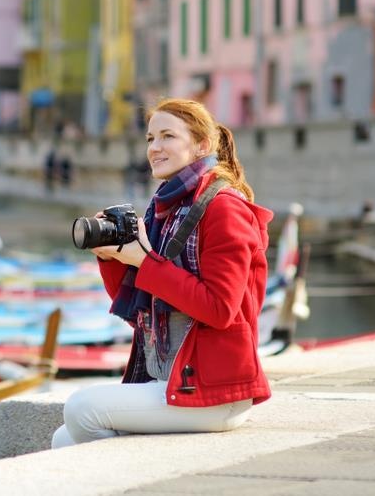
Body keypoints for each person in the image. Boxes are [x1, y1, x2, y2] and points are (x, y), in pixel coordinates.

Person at [52, 98, 274, 448]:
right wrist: (113, 259)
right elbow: (145, 316)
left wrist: (145, 262)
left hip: (217, 391)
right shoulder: (165, 209)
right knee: (63, 440)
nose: (155, 148)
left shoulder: (223, 208)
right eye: (150, 138)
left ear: (202, 145)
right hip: (172, 378)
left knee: (81, 409)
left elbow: (220, 308)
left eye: (167, 136)